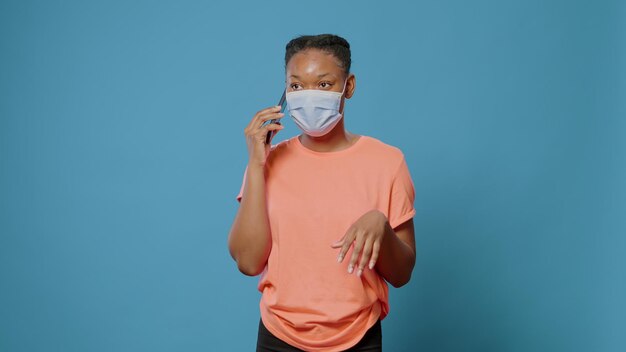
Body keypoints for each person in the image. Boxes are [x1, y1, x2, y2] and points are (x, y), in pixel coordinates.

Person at [228, 34, 417, 352]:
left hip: (359, 337)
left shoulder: (387, 162)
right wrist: (257, 166)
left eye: (324, 84)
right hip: (279, 337)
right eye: (297, 86)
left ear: (349, 86)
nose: (309, 96)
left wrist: (381, 226)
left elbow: (401, 274)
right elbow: (248, 262)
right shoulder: (267, 161)